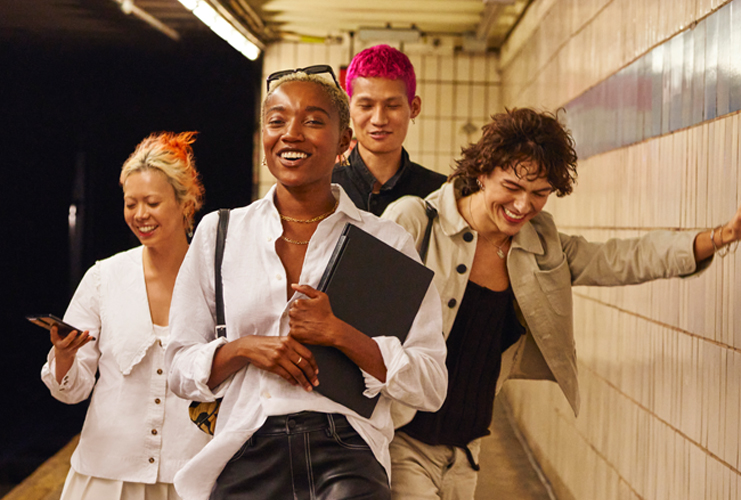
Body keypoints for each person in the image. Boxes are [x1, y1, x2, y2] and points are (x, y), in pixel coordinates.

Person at [381, 107, 741, 500]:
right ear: (482, 171)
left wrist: (720, 236)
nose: (522, 205)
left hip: (466, 452)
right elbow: (359, 316)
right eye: (511, 186)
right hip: (403, 441)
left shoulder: (539, 246)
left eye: (539, 193)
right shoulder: (416, 223)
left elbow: (620, 259)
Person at [165, 67, 448, 500]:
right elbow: (179, 368)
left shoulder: (385, 241)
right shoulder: (219, 234)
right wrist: (244, 348)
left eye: (313, 121)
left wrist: (341, 335)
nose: (291, 134)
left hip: (348, 448)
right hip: (245, 447)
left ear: (344, 144)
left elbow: (431, 385)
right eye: (277, 121)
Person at [40, 132, 210, 500]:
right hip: (107, 477)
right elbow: (74, 389)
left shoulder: (217, 277)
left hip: (193, 474)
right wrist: (66, 358)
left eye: (152, 202)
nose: (140, 215)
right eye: (130, 203)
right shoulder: (104, 278)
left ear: (186, 202)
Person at [332, 44, 447, 215]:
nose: (379, 119)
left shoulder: (439, 195)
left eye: (392, 106)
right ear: (348, 108)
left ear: (414, 108)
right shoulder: (323, 188)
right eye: (366, 106)